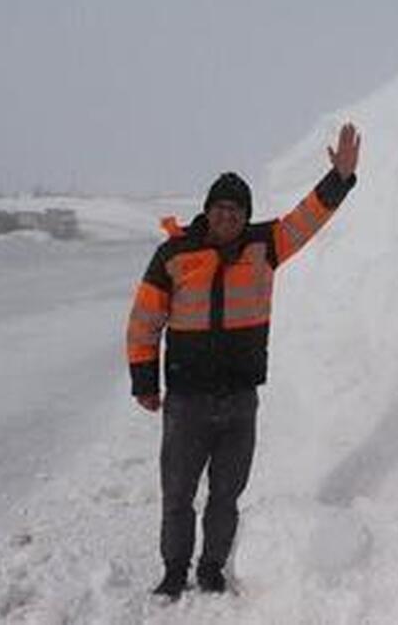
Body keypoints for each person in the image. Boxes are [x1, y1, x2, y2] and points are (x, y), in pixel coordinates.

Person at [125, 122, 361, 599]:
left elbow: (304, 220)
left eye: (236, 209)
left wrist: (338, 179)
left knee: (225, 496)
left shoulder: (264, 247)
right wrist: (144, 381)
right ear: (207, 212)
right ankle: (175, 570)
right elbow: (144, 322)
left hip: (239, 401)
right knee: (177, 495)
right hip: (187, 402)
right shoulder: (174, 255)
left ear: (246, 215)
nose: (227, 216)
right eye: (220, 208)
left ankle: (211, 568)